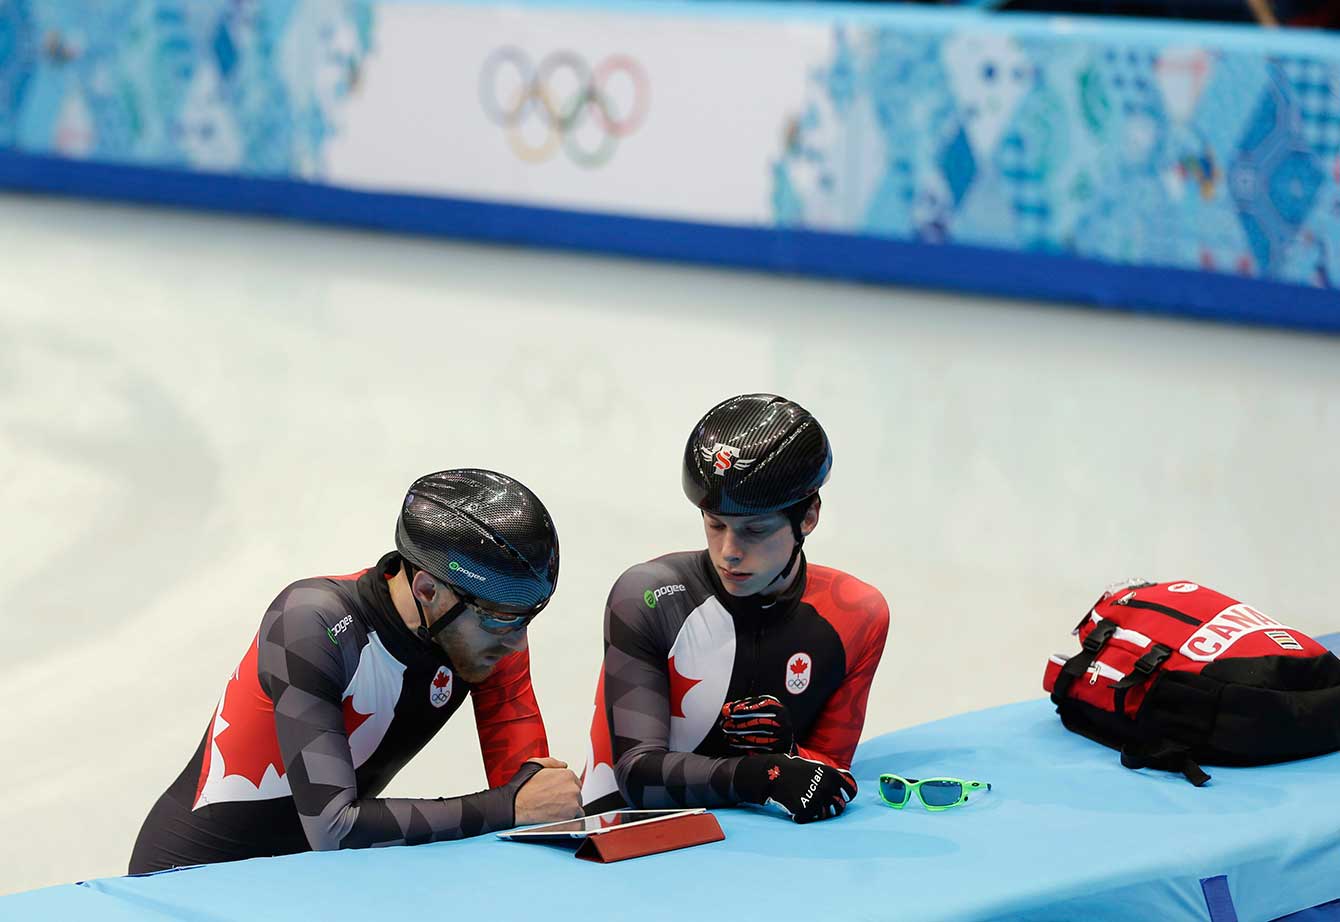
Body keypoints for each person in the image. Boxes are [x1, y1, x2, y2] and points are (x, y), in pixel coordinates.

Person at [130, 469, 581, 872]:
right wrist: (508, 806)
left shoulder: (479, 632)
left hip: (306, 880)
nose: (516, 641)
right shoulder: (311, 623)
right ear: (427, 589)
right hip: (190, 880)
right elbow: (334, 827)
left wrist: (533, 806)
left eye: (526, 619)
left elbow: (535, 803)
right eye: (502, 619)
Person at [581, 394, 890, 824]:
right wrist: (766, 773)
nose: (729, 551)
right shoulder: (648, 597)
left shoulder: (857, 615)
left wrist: (788, 751)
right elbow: (638, 775)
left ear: (808, 517)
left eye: (755, 530)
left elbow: (831, 772)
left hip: (756, 839)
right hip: (624, 833)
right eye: (715, 524)